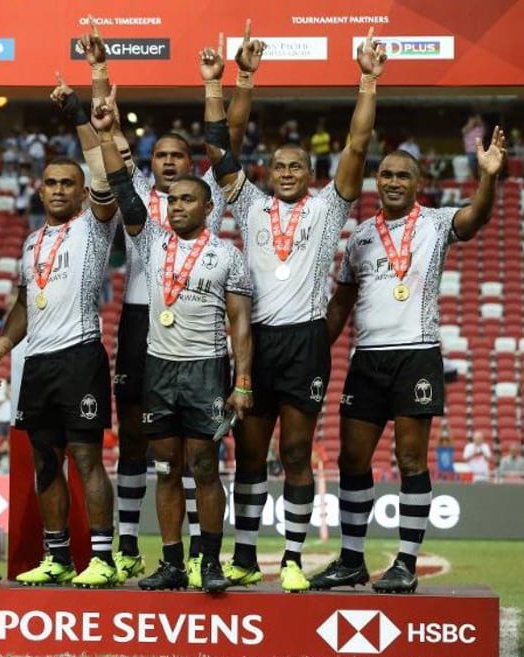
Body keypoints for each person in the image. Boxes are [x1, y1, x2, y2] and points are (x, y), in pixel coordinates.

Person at [202, 29, 386, 592]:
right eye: (278, 166)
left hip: (304, 340)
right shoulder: (248, 202)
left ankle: (291, 559)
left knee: (297, 451)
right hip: (255, 338)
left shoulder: (330, 209)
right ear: (268, 171)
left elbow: (356, 146)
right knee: (250, 454)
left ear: (310, 174)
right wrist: (236, 82)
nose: (285, 173)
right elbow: (217, 148)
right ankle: (243, 555)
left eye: (296, 167)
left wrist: (368, 81)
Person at [82, 18, 261, 587]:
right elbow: (114, 174)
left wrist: (233, 81)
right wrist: (99, 108)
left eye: (188, 193)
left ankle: (212, 561)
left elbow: (224, 138)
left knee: (203, 464)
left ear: (206, 201)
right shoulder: (150, 231)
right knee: (163, 463)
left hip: (206, 367)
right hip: (154, 354)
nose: (177, 199)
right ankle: (169, 562)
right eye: (171, 194)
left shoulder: (227, 251)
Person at [315, 128, 505, 594]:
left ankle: (405, 562)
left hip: (416, 354)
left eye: (403, 175)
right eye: (386, 174)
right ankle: (352, 560)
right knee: (352, 459)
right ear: (375, 181)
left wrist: (488, 179)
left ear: (417, 183)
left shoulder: (436, 223)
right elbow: (340, 304)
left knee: (410, 458)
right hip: (367, 359)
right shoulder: (359, 239)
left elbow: (476, 218)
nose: (394, 182)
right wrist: (313, 352)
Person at [0, 80, 120, 586]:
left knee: (86, 458)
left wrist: (81, 115)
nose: (60, 190)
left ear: (82, 192)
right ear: (40, 189)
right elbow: (23, 303)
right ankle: (58, 556)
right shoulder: (31, 242)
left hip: (80, 355)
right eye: (52, 183)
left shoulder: (95, 226)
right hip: (36, 363)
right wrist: (1, 344)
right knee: (46, 461)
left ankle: (102, 560)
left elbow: (104, 171)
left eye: (69, 183)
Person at [461, 114, 485, 179]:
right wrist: (470, 124)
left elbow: (483, 128)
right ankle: (472, 181)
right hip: (470, 151)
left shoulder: (480, 128)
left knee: (480, 168)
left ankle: (481, 182)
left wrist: (478, 120)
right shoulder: (466, 129)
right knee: (471, 168)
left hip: (478, 150)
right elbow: (463, 131)